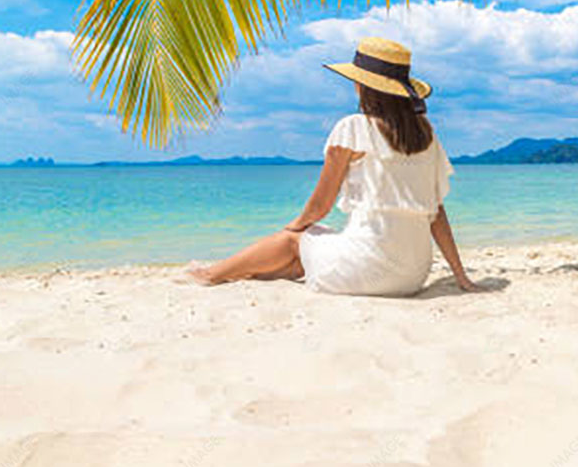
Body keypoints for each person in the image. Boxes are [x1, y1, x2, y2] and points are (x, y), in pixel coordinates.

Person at [188, 37, 478, 295]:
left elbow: (320, 206)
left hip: (371, 268)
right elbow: (436, 211)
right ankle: (249, 272)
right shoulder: (426, 135)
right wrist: (460, 275)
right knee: (309, 249)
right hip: (413, 276)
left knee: (295, 241)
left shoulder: (353, 128)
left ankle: (212, 274)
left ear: (363, 85)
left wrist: (292, 228)